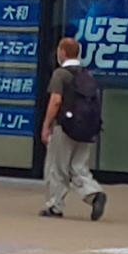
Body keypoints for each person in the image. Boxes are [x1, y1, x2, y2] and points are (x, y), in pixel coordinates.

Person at [39, 35, 107, 221]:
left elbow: (55, 101)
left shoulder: (60, 74)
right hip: (86, 128)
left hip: (64, 127)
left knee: (57, 167)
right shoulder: (87, 75)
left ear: (62, 52)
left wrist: (46, 125)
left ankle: (55, 206)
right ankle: (95, 194)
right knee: (78, 167)